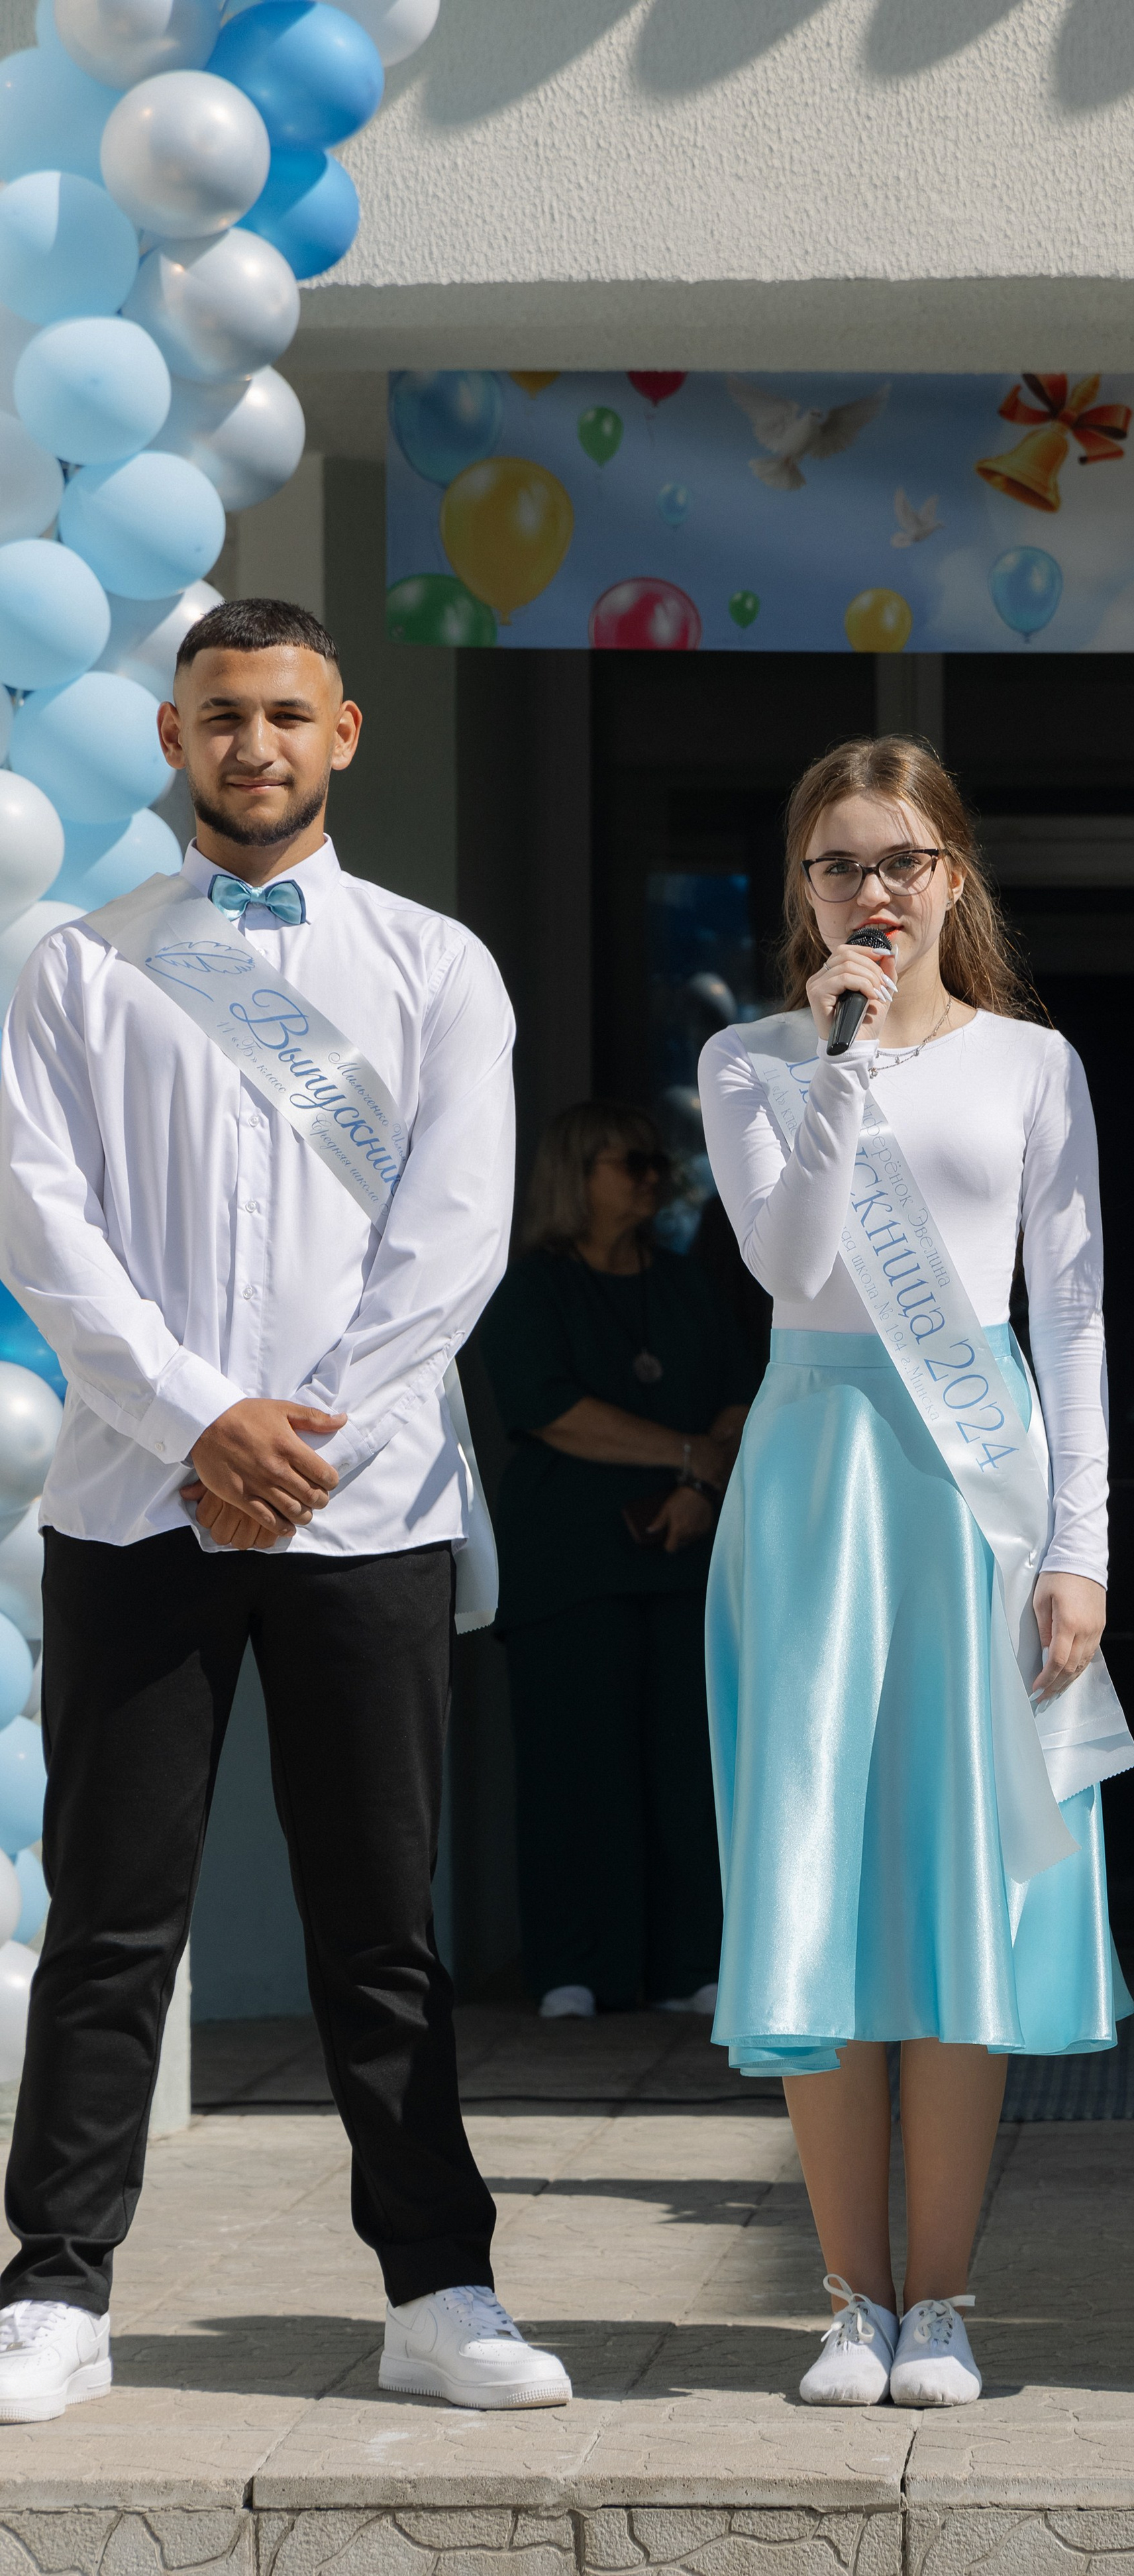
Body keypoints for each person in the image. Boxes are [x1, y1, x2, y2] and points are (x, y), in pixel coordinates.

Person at [0, 597, 570, 2421]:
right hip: (131, 1501)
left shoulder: (435, 965)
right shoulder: (78, 966)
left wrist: (296, 1438)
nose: (254, 744)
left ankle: (440, 2291)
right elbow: (43, 1228)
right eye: (221, 715)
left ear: (345, 736)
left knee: (378, 1921)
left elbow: (457, 1237)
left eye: (287, 715)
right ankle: (56, 2290)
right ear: (173, 741)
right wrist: (196, 1424)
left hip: (363, 1502)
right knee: (111, 1917)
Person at [699, 736, 1134, 2410]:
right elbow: (793, 1259)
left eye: (900, 860)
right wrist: (840, 1065)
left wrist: (1083, 1549)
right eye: (836, 866)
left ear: (952, 873)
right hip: (816, 1482)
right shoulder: (753, 1060)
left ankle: (938, 2299)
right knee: (815, 1866)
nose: (870, 892)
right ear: (801, 891)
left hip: (979, 1489)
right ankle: (843, 2298)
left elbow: (1079, 1316)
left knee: (959, 1883)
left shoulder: (1034, 1064)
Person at [478, 1100, 754, 2021]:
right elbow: (550, 1411)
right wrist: (685, 1457)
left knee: (689, 1768)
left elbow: (738, 1398)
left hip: (685, 1556)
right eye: (625, 1161)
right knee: (575, 1769)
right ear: (574, 1175)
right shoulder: (531, 1288)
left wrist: (701, 1486)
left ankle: (692, 1964)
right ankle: (575, 1968)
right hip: (569, 1566)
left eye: (653, 1159)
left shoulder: (688, 1287)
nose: (649, 1174)